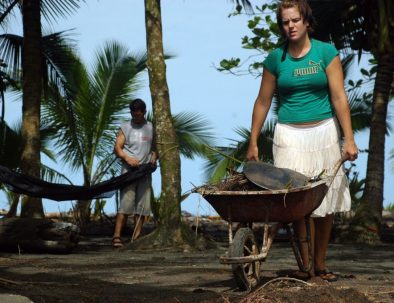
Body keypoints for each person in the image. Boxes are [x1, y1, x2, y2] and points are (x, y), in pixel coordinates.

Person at [246, 0, 358, 282]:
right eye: (285, 22)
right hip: (288, 136)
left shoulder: (325, 52)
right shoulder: (275, 59)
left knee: (325, 199)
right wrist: (253, 142)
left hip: (323, 133)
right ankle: (305, 264)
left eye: (295, 20)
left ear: (306, 22)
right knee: (297, 201)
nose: (290, 26)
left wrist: (349, 139)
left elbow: (339, 97)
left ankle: (320, 263)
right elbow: (262, 101)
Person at [112, 99, 157, 248]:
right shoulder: (125, 127)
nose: (136, 117)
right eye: (133, 115)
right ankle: (116, 237)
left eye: (138, 115)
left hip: (144, 171)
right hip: (128, 172)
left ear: (144, 112)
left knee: (142, 207)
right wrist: (127, 157)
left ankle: (136, 237)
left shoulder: (151, 127)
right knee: (125, 204)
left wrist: (154, 158)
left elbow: (156, 148)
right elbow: (117, 147)